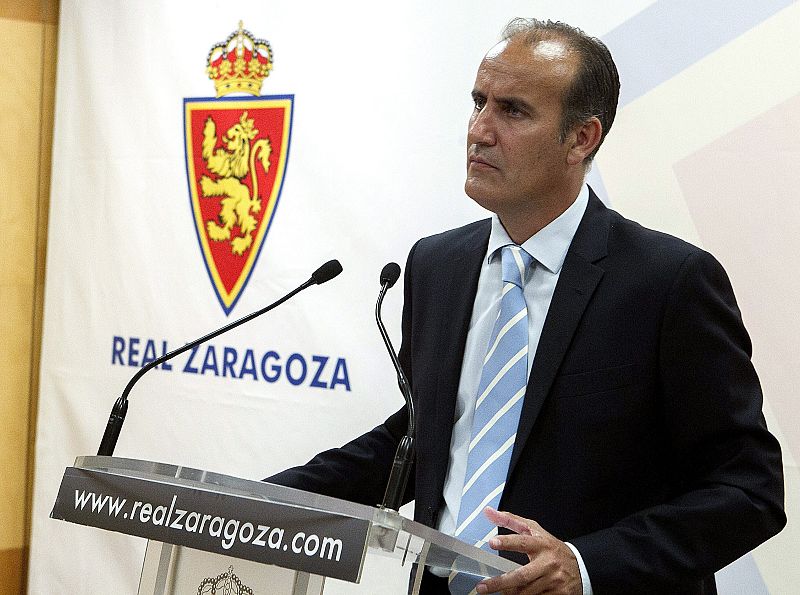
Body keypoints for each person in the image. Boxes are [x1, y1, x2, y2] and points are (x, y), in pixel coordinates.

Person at [268, 18, 785, 594]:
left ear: (581, 139)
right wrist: (255, 503)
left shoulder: (668, 281)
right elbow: (424, 438)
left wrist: (585, 565)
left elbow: (748, 490)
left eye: (512, 111)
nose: (479, 131)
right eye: (478, 102)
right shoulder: (437, 265)